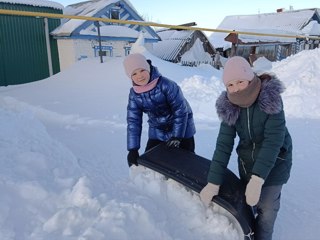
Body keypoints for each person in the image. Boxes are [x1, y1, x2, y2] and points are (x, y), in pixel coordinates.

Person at [199, 56, 292, 240]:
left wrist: (257, 180)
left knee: (266, 207)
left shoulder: (271, 100)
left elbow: (273, 141)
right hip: (247, 161)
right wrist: (213, 182)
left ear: (250, 79)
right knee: (249, 201)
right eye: (230, 85)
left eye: (240, 82)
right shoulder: (229, 107)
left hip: (276, 160)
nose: (236, 89)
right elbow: (223, 144)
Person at [123, 53, 196, 167]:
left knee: (186, 162)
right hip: (158, 129)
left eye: (142, 70)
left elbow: (181, 110)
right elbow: (133, 121)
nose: (140, 76)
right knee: (151, 161)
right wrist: (133, 149)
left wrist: (177, 136)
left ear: (148, 68)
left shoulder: (166, 85)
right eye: (134, 73)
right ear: (130, 76)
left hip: (183, 127)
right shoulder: (134, 94)